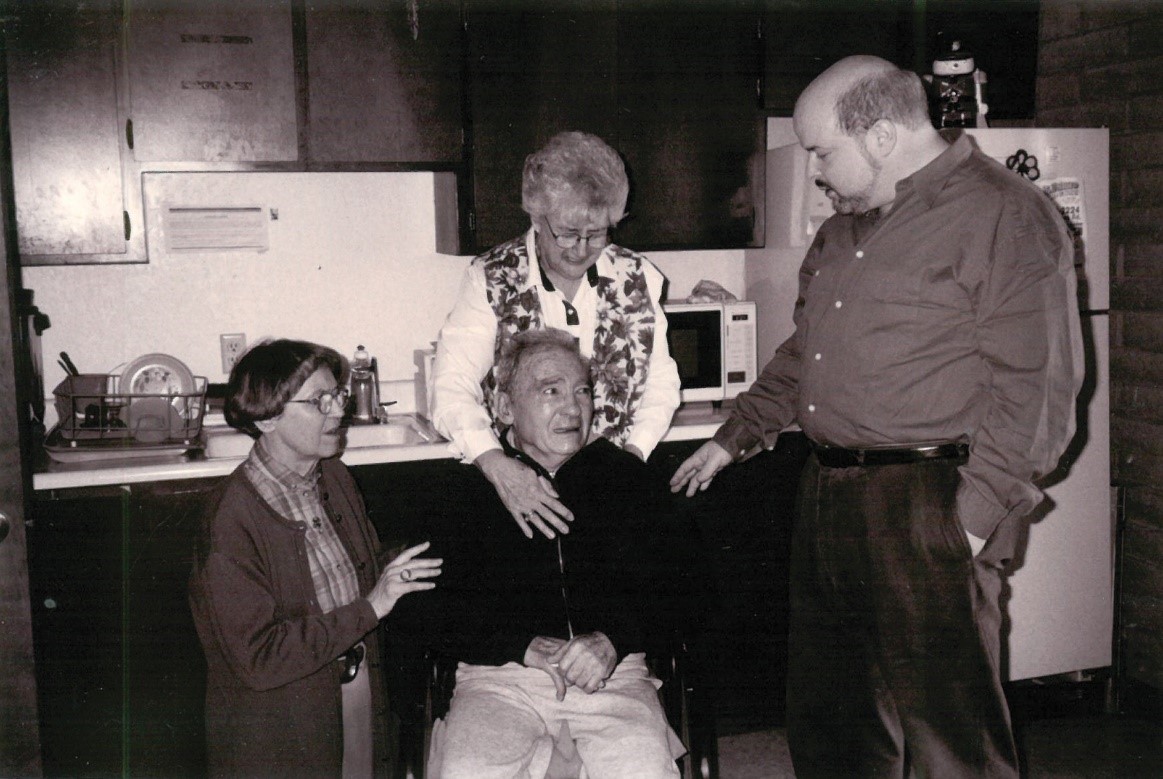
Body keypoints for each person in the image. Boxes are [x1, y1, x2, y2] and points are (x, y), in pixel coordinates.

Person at [670, 55, 1084, 778]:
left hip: (927, 496)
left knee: (949, 736)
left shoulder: (1006, 213)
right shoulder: (842, 229)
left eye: (821, 152)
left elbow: (1039, 387)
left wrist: (969, 520)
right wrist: (737, 431)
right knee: (833, 722)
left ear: (882, 136)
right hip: (828, 493)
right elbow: (809, 351)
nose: (815, 172)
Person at [392, 329, 685, 779]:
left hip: (614, 675)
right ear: (505, 408)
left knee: (643, 769)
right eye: (551, 391)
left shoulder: (628, 480)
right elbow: (422, 608)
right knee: (467, 770)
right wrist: (517, 645)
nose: (573, 408)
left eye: (582, 391)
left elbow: (689, 588)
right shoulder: (461, 491)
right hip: (498, 682)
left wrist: (613, 640)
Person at [188, 339, 442, 778]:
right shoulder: (231, 521)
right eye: (318, 401)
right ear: (266, 418)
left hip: (352, 687)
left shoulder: (333, 475)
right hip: (281, 725)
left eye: (337, 395)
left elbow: (354, 570)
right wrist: (371, 608)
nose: (337, 409)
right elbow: (260, 657)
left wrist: (400, 564)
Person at [432, 130, 681, 540]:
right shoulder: (492, 278)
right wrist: (497, 466)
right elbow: (451, 384)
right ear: (535, 216)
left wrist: (628, 460)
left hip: (611, 485)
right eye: (566, 232)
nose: (581, 249)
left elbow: (661, 381)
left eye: (598, 234)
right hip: (521, 489)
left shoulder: (636, 278)